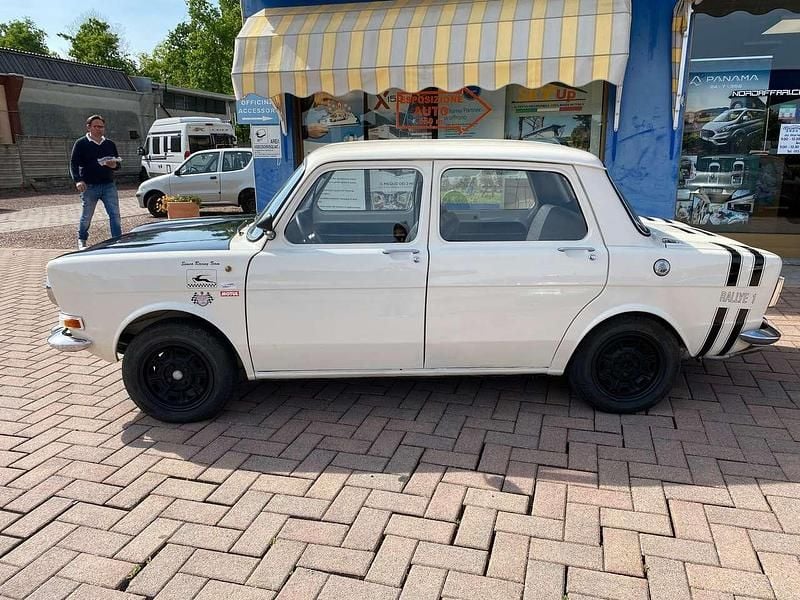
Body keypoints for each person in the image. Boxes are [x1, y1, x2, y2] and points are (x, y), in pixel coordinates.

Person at [70, 114, 122, 249]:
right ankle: (82, 238)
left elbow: (118, 163)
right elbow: (73, 164)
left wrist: (114, 165)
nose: (99, 129)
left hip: (108, 184)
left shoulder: (110, 144)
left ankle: (117, 241)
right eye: (96, 126)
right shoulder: (81, 144)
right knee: (87, 216)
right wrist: (78, 180)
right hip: (89, 186)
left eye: (101, 127)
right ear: (88, 127)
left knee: (114, 214)